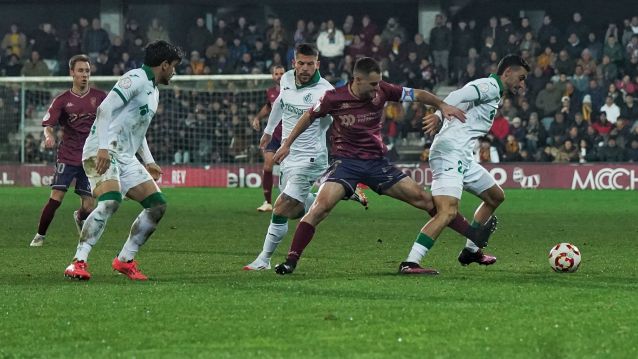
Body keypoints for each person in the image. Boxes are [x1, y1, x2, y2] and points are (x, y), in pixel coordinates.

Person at [273, 57, 496, 275]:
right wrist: (287, 145)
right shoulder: (333, 98)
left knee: (425, 200)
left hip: (377, 163)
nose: (377, 88)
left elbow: (417, 94)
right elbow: (308, 117)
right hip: (345, 164)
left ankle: (474, 237)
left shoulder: (383, 90)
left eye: (379, 82)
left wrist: (441, 104)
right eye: (372, 84)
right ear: (356, 80)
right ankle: (291, 261)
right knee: (320, 208)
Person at [63, 40, 183, 281]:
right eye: (174, 66)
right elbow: (105, 109)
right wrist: (104, 149)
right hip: (100, 149)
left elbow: (137, 130)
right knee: (110, 201)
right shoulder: (135, 78)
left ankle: (125, 260)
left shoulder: (154, 91)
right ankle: (78, 262)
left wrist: (148, 161)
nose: (174, 71)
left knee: (157, 205)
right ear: (164, 64)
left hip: (125, 156)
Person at [405, 54, 530, 273]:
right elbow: (458, 94)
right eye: (520, 78)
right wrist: (438, 113)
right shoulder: (489, 86)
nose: (522, 84)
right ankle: (411, 262)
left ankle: (471, 251)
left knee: (495, 196)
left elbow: (462, 102)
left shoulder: (495, 93)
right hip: (449, 152)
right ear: (507, 72)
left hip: (462, 155)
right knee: (447, 212)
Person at [243, 44, 335, 270]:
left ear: (318, 64)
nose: (305, 68)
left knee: (281, 208)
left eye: (310, 64)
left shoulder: (325, 91)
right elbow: (278, 105)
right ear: (294, 62)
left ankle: (263, 259)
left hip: (311, 158)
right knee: (295, 211)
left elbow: (334, 120)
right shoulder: (285, 79)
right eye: (301, 63)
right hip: (289, 156)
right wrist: (267, 131)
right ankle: (323, 199)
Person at [30, 55, 107, 247]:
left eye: (87, 71)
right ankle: (40, 235)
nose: (84, 75)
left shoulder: (100, 97)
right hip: (68, 154)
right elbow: (48, 124)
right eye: (80, 71)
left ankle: (80, 217)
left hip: (90, 157)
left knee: (89, 205)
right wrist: (48, 136)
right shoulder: (62, 100)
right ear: (72, 73)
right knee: (57, 196)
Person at [251, 65, 285, 212]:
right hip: (274, 134)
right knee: (267, 165)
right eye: (276, 74)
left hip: (290, 135)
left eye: (281, 73)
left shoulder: (293, 91)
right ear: (272, 76)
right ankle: (267, 202)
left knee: (290, 169)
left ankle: (292, 200)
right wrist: (258, 118)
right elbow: (268, 107)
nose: (279, 76)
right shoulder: (270, 92)